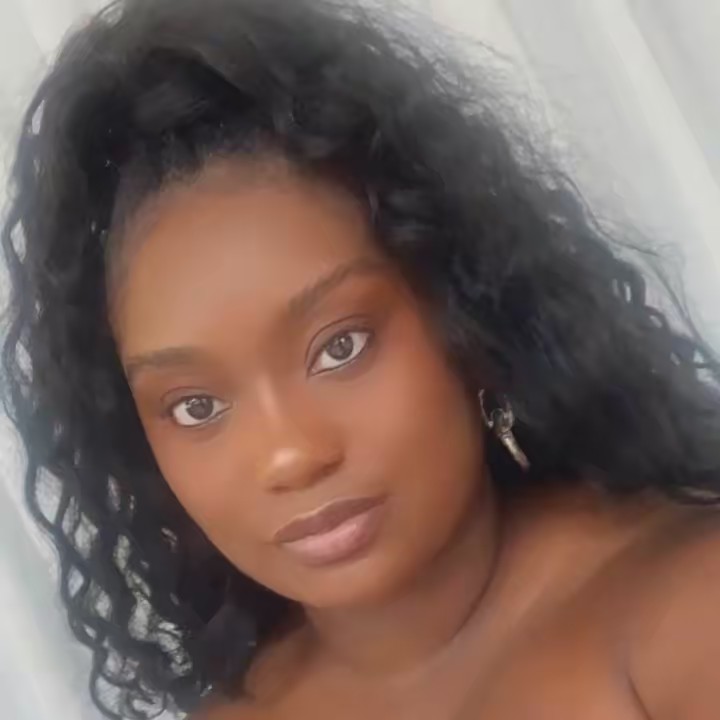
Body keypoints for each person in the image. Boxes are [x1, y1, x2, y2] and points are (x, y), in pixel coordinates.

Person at [3, 0, 720, 717]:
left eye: (339, 347)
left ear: (466, 307)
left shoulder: (684, 604)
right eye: (197, 406)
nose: (289, 455)